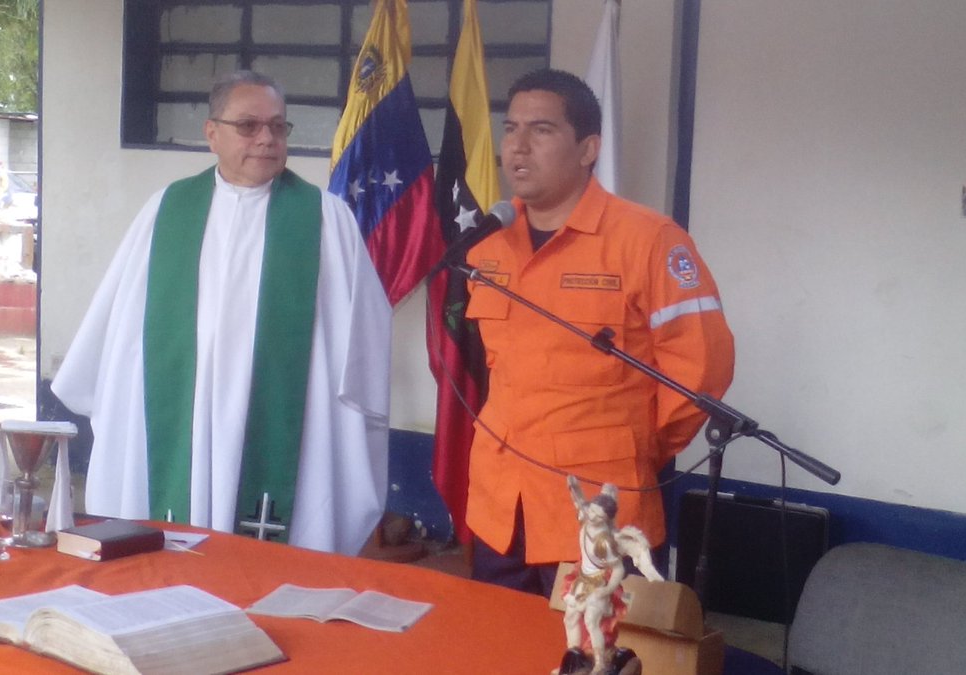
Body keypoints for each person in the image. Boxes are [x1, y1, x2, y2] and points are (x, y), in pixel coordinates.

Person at [52, 71, 392, 557]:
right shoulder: (167, 210)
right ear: (212, 133)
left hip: (286, 421)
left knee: (274, 557)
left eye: (278, 127)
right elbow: (120, 321)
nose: (267, 139)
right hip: (183, 413)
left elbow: (363, 332)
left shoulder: (323, 218)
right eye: (249, 126)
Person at [463, 69, 735, 596]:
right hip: (501, 507)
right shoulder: (488, 243)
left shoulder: (649, 240)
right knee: (494, 648)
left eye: (541, 130)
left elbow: (701, 370)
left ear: (588, 148)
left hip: (599, 513)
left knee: (596, 657)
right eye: (511, 128)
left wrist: (635, 448)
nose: (517, 147)